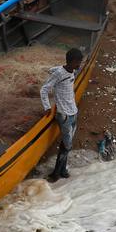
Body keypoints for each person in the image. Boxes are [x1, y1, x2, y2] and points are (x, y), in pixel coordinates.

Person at [39, 47, 84, 181]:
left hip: (73, 112)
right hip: (63, 115)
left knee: (67, 144)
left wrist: (51, 69)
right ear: (71, 62)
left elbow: (56, 68)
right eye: (77, 62)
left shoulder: (71, 70)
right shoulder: (59, 74)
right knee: (67, 145)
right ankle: (56, 174)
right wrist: (47, 106)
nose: (79, 65)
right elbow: (44, 89)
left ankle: (62, 170)